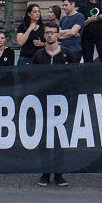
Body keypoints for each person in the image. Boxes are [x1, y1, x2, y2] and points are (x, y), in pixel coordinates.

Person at [32, 24, 71, 188]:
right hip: (43, 101)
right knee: (44, 138)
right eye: (47, 33)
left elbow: (74, 76)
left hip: (62, 101)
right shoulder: (39, 55)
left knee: (60, 138)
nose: (49, 35)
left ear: (57, 35)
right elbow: (32, 78)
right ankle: (45, 172)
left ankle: (59, 173)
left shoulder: (67, 54)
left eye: (52, 33)